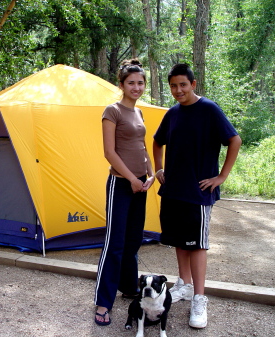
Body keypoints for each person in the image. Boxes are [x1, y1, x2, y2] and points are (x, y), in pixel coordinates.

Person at [153, 63, 241, 329]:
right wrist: (158, 168)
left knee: (198, 244)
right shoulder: (173, 113)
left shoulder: (209, 110)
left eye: (182, 84)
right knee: (180, 240)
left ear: (193, 84)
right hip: (174, 190)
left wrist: (221, 177)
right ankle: (184, 285)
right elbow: (157, 141)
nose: (178, 90)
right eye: (173, 86)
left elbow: (234, 140)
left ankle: (200, 299)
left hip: (199, 191)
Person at [94, 59, 155, 326]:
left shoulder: (139, 113)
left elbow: (142, 146)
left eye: (140, 83)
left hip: (141, 184)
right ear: (121, 85)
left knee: (133, 241)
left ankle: (130, 287)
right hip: (121, 184)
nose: (136, 87)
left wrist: (150, 174)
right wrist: (130, 178)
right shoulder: (113, 111)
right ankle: (102, 303)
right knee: (114, 245)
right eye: (131, 82)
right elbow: (109, 152)